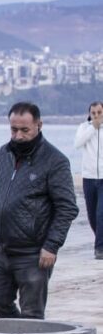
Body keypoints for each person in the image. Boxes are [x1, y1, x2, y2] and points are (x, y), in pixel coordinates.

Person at [0, 103, 78, 319]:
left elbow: (67, 207)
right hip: (1, 250)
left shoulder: (55, 160)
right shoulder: (3, 154)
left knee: (32, 314)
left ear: (39, 125)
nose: (18, 136)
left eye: (25, 130)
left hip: (33, 254)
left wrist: (51, 246)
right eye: (14, 129)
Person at [74, 101, 103, 259]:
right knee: (92, 216)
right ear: (89, 114)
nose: (96, 115)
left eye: (99, 112)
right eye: (93, 113)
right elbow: (77, 144)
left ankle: (99, 250)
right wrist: (93, 128)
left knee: (101, 213)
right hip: (89, 178)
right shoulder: (84, 127)